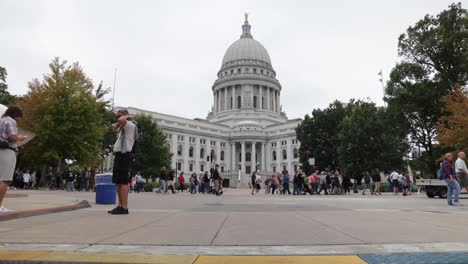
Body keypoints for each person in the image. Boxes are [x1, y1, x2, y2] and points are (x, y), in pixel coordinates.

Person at [108, 109, 137, 215]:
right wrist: (120, 120)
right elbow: (114, 129)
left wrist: (127, 117)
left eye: (119, 116)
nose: (117, 119)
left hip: (125, 155)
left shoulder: (130, 125)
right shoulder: (122, 128)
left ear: (125, 116)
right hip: (119, 155)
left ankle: (124, 207)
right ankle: (120, 206)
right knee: (118, 182)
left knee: (123, 182)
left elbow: (121, 120)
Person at [0, 106, 26, 213]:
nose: (19, 120)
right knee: (5, 179)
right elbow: (12, 137)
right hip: (7, 151)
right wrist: (20, 137)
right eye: (19, 117)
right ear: (16, 114)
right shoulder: (10, 121)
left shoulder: (1, 120)